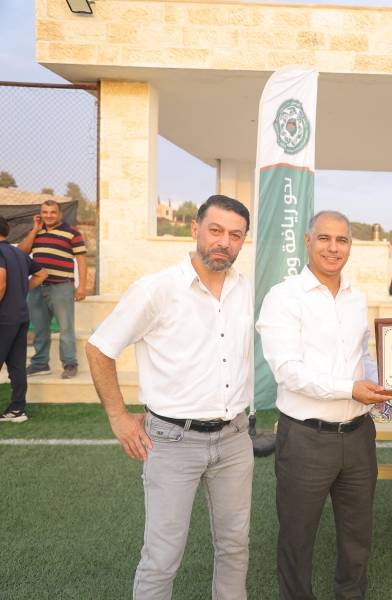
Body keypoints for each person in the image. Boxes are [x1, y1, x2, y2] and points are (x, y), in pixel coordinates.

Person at [85, 195, 254, 600]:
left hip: (234, 439)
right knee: (162, 556)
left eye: (235, 235)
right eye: (216, 230)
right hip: (173, 441)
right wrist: (119, 417)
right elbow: (99, 348)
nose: (224, 242)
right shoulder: (156, 289)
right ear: (195, 229)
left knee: (235, 546)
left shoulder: (246, 289)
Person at [256, 210, 392, 600]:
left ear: (350, 245)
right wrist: (351, 389)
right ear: (307, 241)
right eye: (324, 238)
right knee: (297, 538)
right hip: (306, 438)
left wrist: (388, 382)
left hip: (359, 436)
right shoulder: (283, 297)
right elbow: (288, 371)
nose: (334, 248)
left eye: (342, 240)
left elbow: (361, 357)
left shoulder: (355, 297)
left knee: (357, 536)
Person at [17, 199, 87, 379]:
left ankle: (70, 364)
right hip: (37, 287)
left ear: (60, 214)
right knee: (40, 328)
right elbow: (21, 252)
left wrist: (82, 286)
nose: (49, 215)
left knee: (65, 328)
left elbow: (81, 260)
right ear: (40, 214)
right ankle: (40, 364)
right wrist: (34, 229)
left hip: (62, 286)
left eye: (53, 212)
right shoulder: (36, 232)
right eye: (45, 212)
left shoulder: (72, 233)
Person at [0, 217, 47, 423]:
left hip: (3, 318)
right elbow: (42, 274)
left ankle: (17, 409)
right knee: (17, 365)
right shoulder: (18, 253)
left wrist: (12, 289)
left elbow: (1, 283)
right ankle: (17, 410)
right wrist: (20, 289)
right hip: (20, 317)